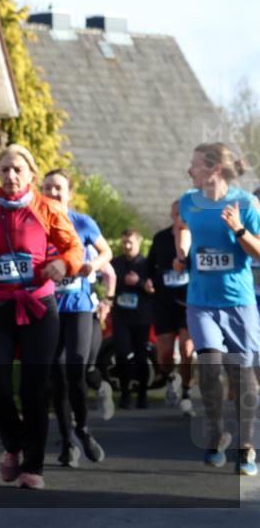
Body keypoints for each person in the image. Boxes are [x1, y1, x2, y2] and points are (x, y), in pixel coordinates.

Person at [0, 144, 84, 490]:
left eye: (17, 170)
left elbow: (74, 249)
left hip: (39, 307)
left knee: (34, 388)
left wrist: (62, 264)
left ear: (31, 174)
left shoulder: (47, 209)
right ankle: (13, 446)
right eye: (4, 170)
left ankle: (34, 465)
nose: (10, 176)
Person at [175, 143, 260, 476]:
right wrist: (183, 254)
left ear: (212, 169)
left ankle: (248, 446)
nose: (189, 170)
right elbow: (182, 228)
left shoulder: (246, 203)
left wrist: (238, 229)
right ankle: (216, 433)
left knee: (243, 375)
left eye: (194, 164)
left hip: (238, 302)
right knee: (208, 366)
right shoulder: (188, 202)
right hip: (201, 302)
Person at [41, 170, 112, 467]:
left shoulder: (82, 222)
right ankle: (67, 440)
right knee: (55, 375)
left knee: (76, 369)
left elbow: (106, 251)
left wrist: (91, 264)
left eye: (59, 188)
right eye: (48, 188)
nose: (54, 193)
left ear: (69, 192)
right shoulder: (37, 225)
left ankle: (83, 429)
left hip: (80, 306)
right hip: (48, 308)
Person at [145, 200, 196, 415]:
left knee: (186, 349)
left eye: (182, 213)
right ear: (171, 215)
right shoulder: (160, 238)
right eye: (175, 213)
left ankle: (186, 391)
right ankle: (170, 379)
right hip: (164, 302)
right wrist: (146, 281)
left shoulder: (196, 236)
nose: (179, 217)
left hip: (189, 301)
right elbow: (148, 266)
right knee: (165, 352)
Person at [110, 229, 153, 409]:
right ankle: (125, 394)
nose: (127, 246)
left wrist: (139, 282)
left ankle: (142, 394)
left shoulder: (146, 264)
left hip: (141, 317)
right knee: (122, 354)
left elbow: (153, 288)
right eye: (124, 242)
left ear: (138, 242)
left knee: (141, 356)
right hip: (121, 317)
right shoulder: (116, 263)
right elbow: (108, 284)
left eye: (131, 243)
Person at [86, 258, 117, 420]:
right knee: (62, 368)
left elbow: (110, 274)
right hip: (57, 312)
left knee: (87, 367)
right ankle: (71, 426)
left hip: (88, 312)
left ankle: (102, 387)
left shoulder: (85, 240)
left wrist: (107, 300)